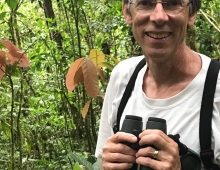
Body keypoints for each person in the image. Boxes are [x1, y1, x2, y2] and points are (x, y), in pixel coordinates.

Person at [95, 0, 220, 169]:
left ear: (192, 13)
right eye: (145, 3)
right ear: (127, 12)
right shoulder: (123, 76)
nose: (159, 17)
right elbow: (101, 161)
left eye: (173, 3)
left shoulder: (215, 87)